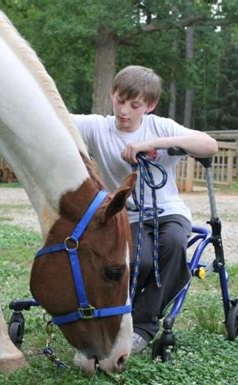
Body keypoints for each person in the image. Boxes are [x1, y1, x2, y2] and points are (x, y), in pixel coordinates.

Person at [73, 65, 218, 353]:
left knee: (174, 246)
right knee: (141, 261)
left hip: (167, 211)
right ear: (112, 95)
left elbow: (209, 145)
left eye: (134, 104)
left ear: (149, 106)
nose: (124, 110)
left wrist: (153, 143)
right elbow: (55, 118)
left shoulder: (160, 126)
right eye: (119, 100)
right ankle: (110, 323)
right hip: (129, 214)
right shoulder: (98, 127)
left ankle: (142, 326)